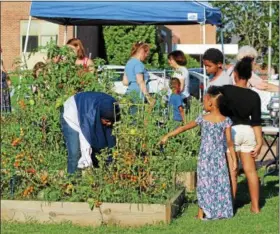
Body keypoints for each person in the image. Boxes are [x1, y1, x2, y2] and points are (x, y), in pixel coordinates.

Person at [160, 86, 237, 220]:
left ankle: (202, 213)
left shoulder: (203, 118)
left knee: (204, 184)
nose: (202, 103)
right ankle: (219, 211)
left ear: (210, 103)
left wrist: (168, 135)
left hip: (206, 158)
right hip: (219, 158)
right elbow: (230, 143)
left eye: (204, 101)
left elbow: (184, 127)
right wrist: (234, 159)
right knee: (219, 184)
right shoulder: (226, 121)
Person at [220, 57, 262, 214]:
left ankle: (230, 206)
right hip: (248, 131)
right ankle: (255, 207)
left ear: (235, 74)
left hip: (232, 131)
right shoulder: (254, 96)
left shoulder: (226, 90)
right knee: (251, 171)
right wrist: (259, 143)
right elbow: (256, 122)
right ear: (249, 76)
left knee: (232, 170)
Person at [61, 92, 120, 174]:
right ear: (100, 116)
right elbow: (86, 137)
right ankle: (73, 180)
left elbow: (110, 140)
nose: (109, 124)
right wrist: (87, 159)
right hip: (72, 114)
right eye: (107, 121)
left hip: (86, 108)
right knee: (75, 152)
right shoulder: (89, 116)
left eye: (112, 121)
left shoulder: (110, 108)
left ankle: (99, 175)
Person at [122, 41, 155, 106]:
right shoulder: (139, 64)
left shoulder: (128, 63)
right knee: (137, 115)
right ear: (142, 52)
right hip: (138, 95)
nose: (146, 56)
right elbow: (140, 81)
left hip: (129, 94)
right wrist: (149, 98)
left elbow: (125, 82)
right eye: (146, 54)